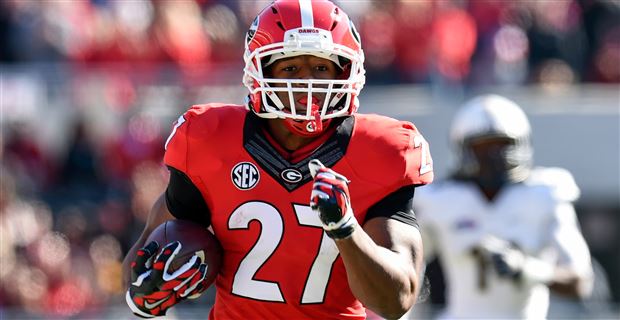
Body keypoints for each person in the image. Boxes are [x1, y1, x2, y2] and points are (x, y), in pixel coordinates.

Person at [121, 1, 434, 319]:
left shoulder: (383, 149)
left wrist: (345, 229)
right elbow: (142, 262)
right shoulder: (210, 139)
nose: (307, 83)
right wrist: (145, 294)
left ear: (347, 71)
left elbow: (397, 299)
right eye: (291, 68)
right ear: (261, 70)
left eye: (321, 68)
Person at [414, 94, 593, 319]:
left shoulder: (544, 194)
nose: (492, 157)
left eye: (501, 146)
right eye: (482, 148)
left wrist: (527, 269)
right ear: (463, 149)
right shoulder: (439, 200)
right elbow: (409, 272)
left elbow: (581, 281)